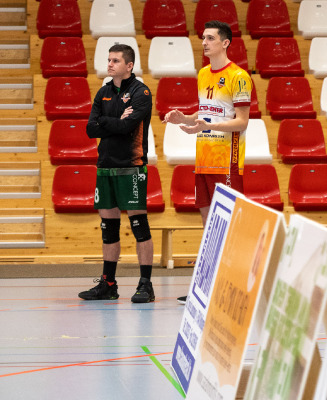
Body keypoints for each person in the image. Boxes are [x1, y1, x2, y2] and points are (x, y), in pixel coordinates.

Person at [163, 20, 252, 303]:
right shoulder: (202, 74)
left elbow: (242, 122)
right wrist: (185, 118)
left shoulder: (239, 76)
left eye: (211, 38)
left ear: (225, 43)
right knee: (208, 224)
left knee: (228, 224)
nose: (204, 42)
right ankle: (208, 287)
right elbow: (205, 115)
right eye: (203, 37)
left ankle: (232, 286)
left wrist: (207, 125)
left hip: (226, 161)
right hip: (203, 159)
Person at [79, 44, 155, 303]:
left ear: (129, 65)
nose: (110, 64)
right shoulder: (103, 92)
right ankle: (108, 284)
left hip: (131, 166)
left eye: (115, 61)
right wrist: (115, 121)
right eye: (109, 60)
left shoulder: (141, 92)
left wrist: (107, 122)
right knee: (108, 229)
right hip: (105, 166)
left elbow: (127, 127)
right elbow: (91, 129)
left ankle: (145, 284)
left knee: (139, 226)